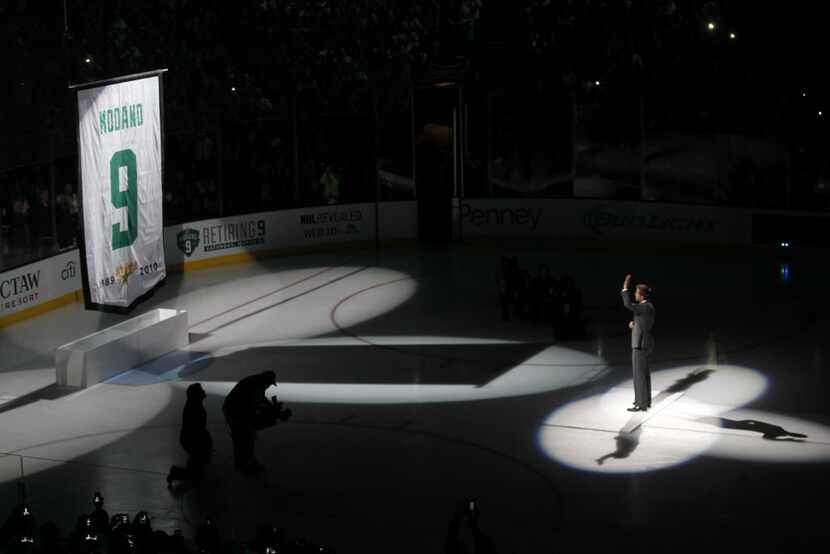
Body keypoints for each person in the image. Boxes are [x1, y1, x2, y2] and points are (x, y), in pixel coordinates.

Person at [222, 371, 290, 473]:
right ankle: (246, 464)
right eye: (269, 384)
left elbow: (261, 399)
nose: (269, 387)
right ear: (266, 381)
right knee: (244, 439)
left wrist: (271, 408)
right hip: (235, 414)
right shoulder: (254, 387)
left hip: (235, 411)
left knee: (243, 438)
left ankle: (243, 463)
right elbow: (253, 410)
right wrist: (274, 413)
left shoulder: (257, 383)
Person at [167, 383, 212, 487]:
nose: (204, 392)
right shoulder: (194, 407)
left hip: (192, 440)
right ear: (196, 394)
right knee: (195, 471)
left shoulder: (194, 404)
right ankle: (175, 473)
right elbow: (196, 428)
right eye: (201, 391)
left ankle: (178, 473)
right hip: (193, 441)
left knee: (196, 467)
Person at [621, 274, 655, 412]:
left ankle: (641, 404)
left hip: (640, 344)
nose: (634, 295)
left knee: (639, 375)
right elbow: (644, 323)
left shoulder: (643, 306)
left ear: (641, 295)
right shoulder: (649, 307)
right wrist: (634, 325)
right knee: (644, 374)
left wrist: (625, 288)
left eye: (636, 292)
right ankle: (645, 401)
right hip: (645, 342)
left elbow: (627, 304)